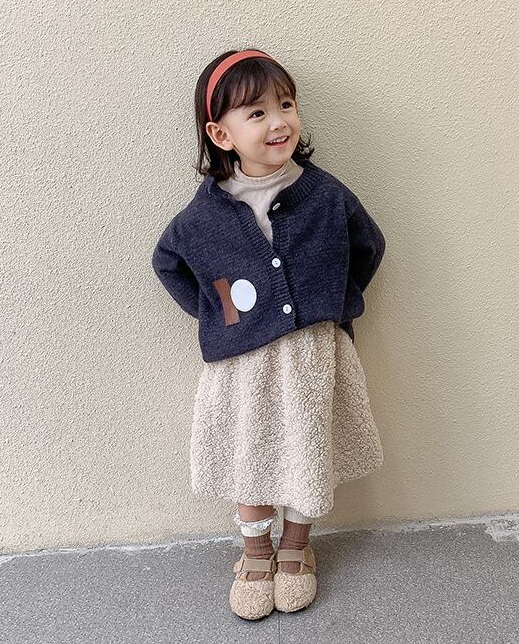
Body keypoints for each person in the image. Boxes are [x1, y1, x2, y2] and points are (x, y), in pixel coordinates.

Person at [151, 48, 386, 620]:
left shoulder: (325, 195)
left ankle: (297, 547)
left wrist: (333, 302)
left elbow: (369, 246)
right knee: (249, 452)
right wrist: (219, 313)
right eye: (256, 113)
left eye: (286, 105)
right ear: (221, 134)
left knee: (309, 447)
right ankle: (256, 549)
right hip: (243, 365)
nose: (278, 121)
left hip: (311, 355)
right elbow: (168, 263)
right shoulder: (203, 216)